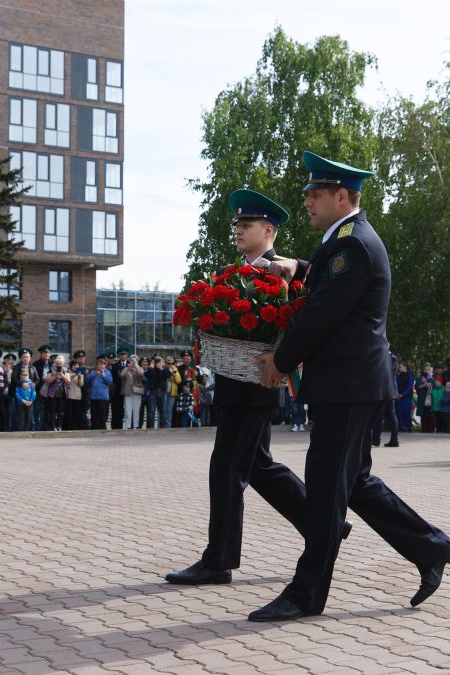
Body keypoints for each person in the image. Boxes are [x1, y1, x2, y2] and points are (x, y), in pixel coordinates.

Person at [252, 151, 450, 622]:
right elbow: (332, 283)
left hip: (347, 384)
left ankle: (306, 594)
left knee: (326, 490)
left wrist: (280, 361)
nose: (306, 201)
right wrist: (298, 267)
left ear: (341, 196)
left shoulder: (352, 244)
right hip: (352, 383)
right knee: (354, 481)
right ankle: (431, 547)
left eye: (315, 194)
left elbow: (322, 311)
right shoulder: (346, 240)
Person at [166, 187, 334, 587]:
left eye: (247, 224)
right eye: (237, 225)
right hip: (233, 380)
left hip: (257, 382)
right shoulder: (233, 275)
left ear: (269, 230)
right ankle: (324, 521)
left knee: (226, 468)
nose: (238, 231)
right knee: (257, 465)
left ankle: (218, 561)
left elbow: (296, 327)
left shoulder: (284, 272)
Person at [371, 351, 400, 447]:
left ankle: (394, 439)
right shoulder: (385, 356)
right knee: (379, 416)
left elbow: (389, 372)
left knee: (390, 416)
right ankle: (376, 440)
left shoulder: (392, 358)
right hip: (383, 390)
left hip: (388, 390)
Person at [31, 344, 53, 430]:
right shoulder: (36, 364)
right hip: (39, 390)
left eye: (48, 353)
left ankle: (48, 427)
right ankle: (38, 427)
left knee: (49, 409)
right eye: (45, 353)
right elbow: (34, 378)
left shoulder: (52, 364)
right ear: (40, 354)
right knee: (38, 409)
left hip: (50, 390)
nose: (47, 354)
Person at [88, 358, 113, 430]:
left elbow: (109, 382)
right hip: (93, 397)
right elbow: (87, 380)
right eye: (98, 364)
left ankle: (102, 429)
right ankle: (94, 428)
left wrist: (103, 374)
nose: (100, 365)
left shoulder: (107, 372)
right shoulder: (93, 371)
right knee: (94, 415)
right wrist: (94, 375)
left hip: (103, 397)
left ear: (105, 365)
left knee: (102, 415)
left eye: (102, 364)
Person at [120, 355, 144, 429]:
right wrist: (128, 369)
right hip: (128, 391)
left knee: (136, 409)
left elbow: (141, 374)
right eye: (132, 360)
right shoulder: (126, 368)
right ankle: (128, 425)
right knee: (128, 409)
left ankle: (135, 425)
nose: (133, 361)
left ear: (137, 360)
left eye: (135, 360)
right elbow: (122, 376)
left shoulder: (140, 368)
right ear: (129, 360)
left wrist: (136, 366)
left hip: (137, 391)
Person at [65, 358, 86, 430]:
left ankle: (75, 427)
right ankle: (68, 427)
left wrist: (80, 378)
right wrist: (72, 376)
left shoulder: (80, 374)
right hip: (70, 395)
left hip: (77, 396)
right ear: (71, 366)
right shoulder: (67, 373)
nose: (76, 367)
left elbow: (81, 385)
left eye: (77, 366)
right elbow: (67, 383)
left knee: (76, 413)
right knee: (69, 412)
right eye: (74, 365)